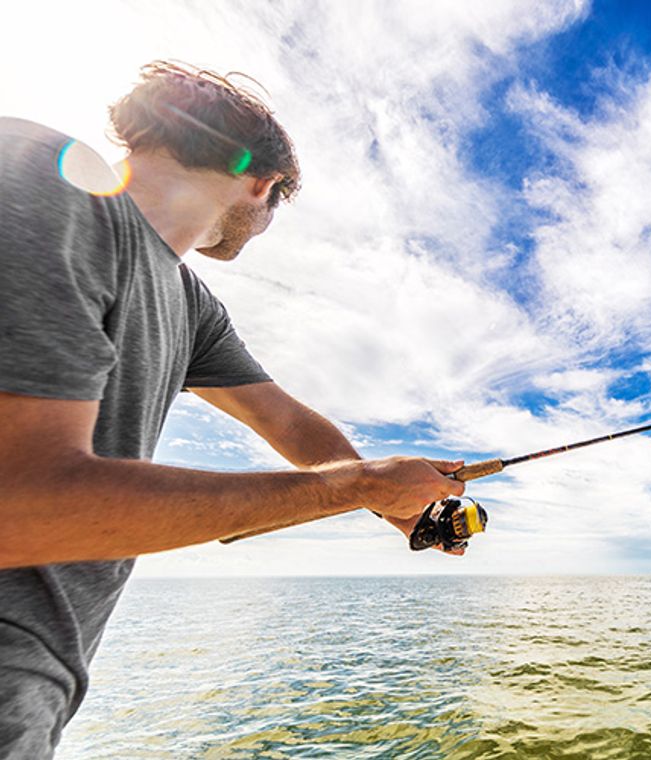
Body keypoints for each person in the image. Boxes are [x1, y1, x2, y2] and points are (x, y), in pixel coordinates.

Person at [0, 61, 467, 757]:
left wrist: (388, 499)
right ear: (263, 182)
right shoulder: (45, 179)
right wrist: (360, 485)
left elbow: (282, 419)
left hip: (39, 685)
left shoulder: (188, 305)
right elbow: (18, 502)